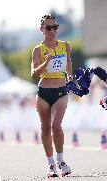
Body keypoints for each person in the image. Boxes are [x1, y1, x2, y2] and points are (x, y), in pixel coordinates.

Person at [30, 14, 72, 178]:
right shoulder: (38, 50)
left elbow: (68, 63)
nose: (52, 30)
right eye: (49, 27)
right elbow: (34, 74)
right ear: (42, 30)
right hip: (43, 92)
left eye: (55, 27)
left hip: (61, 90)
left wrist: (70, 78)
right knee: (45, 127)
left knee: (56, 125)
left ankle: (61, 161)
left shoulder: (65, 46)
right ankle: (51, 164)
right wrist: (46, 62)